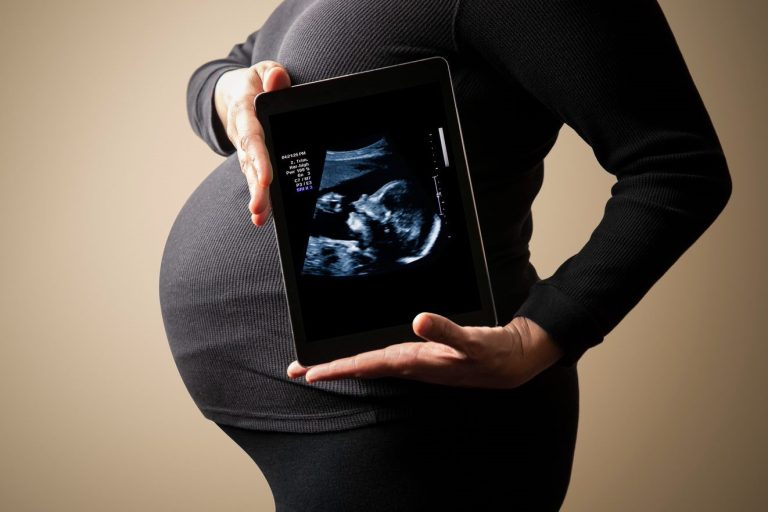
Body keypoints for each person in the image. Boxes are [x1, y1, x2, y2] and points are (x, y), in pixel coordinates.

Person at [159, 1, 732, 510]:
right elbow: (226, 65)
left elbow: (678, 164)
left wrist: (546, 333)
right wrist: (227, 93)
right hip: (338, 423)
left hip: (416, 427)